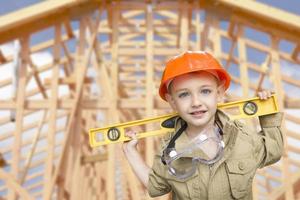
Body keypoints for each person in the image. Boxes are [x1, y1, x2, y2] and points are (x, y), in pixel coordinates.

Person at [123, 51, 283, 199]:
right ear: (172, 101)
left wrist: (267, 113)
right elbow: (155, 187)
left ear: (219, 93)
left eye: (205, 91)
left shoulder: (241, 137)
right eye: (184, 94)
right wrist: (130, 151)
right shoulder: (169, 150)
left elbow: (273, 151)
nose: (196, 102)